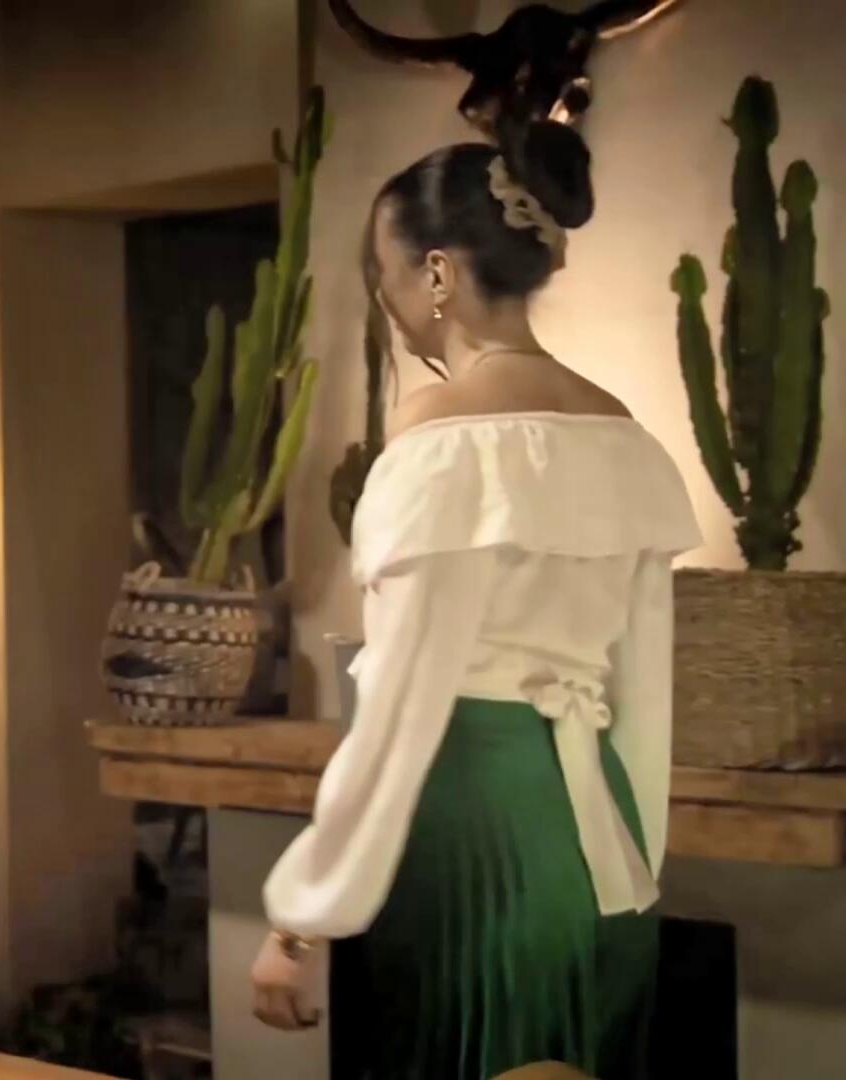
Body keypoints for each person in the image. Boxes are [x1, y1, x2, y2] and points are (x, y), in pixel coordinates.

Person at [249, 121, 701, 1078]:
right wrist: (633, 858)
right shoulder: (621, 432)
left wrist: (300, 922)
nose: (385, 298)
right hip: (598, 840)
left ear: (438, 274)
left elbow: (403, 704)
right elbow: (643, 690)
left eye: (383, 271)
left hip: (475, 831)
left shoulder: (438, 433)